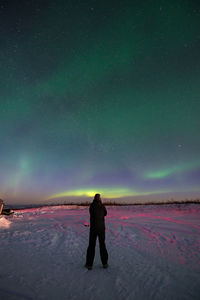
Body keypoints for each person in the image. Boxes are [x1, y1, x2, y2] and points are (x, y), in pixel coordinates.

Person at [85, 193, 108, 270]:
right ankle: (105, 263)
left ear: (94, 198)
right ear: (100, 198)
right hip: (101, 229)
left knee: (91, 245)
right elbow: (105, 213)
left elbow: (91, 213)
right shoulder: (102, 206)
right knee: (102, 245)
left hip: (94, 229)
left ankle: (89, 264)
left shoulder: (92, 206)